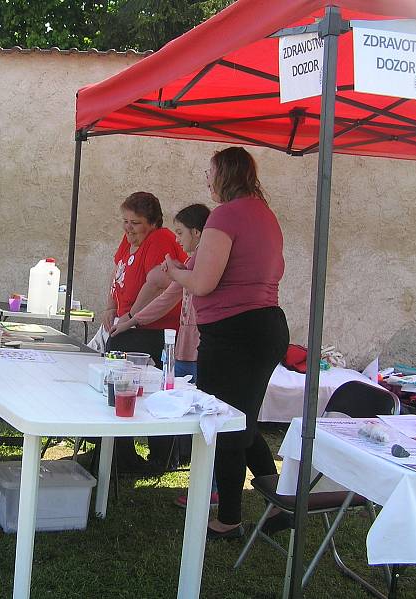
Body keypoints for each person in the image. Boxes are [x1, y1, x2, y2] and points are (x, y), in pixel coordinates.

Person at [163, 147, 289, 540]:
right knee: (244, 421)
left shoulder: (225, 215)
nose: (206, 178)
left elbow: (203, 283)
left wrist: (173, 271)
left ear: (226, 175)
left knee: (224, 424)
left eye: (210, 171)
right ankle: (283, 500)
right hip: (265, 327)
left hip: (234, 334)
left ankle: (229, 518)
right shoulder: (264, 215)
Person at [112, 203, 214, 501]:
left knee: (199, 414)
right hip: (181, 349)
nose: (179, 240)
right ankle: (172, 460)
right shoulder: (190, 264)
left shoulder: (190, 260)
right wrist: (129, 320)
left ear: (197, 233)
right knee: (175, 402)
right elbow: (167, 295)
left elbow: (159, 287)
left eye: (182, 233)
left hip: (195, 349)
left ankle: (207, 486)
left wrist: (131, 318)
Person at [103, 191, 187, 471]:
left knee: (140, 386)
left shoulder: (160, 239)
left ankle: (141, 456)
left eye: (135, 223)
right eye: (125, 221)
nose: (128, 228)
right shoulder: (129, 241)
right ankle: (119, 452)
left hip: (154, 329)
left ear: (152, 222)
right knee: (117, 379)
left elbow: (156, 284)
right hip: (129, 321)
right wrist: (109, 309)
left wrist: (129, 317)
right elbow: (117, 274)